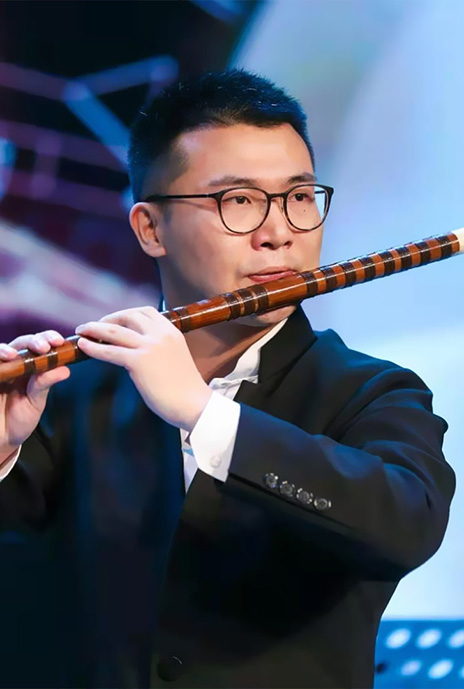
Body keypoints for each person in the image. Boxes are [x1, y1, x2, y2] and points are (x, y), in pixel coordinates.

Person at [0, 69, 455, 689]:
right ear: (150, 228)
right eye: (238, 201)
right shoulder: (68, 394)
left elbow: (405, 524)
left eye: (300, 197)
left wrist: (203, 414)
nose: (280, 233)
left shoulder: (374, 393)